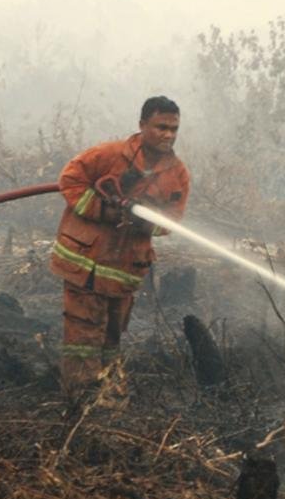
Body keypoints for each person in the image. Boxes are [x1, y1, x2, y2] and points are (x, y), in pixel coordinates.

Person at [51, 96, 190, 394]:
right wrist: (106, 211)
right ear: (142, 125)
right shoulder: (108, 154)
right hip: (85, 262)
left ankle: (107, 394)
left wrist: (147, 222)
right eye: (161, 127)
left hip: (124, 270)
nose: (168, 134)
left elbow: (173, 220)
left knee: (112, 336)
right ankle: (80, 400)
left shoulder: (177, 175)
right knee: (83, 335)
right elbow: (70, 180)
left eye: (174, 129)